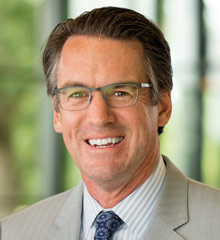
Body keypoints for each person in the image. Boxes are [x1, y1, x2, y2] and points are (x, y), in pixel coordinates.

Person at [1, 6, 220, 240]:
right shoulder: (13, 233)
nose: (98, 117)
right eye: (77, 94)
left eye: (121, 92)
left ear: (163, 108)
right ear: (57, 114)